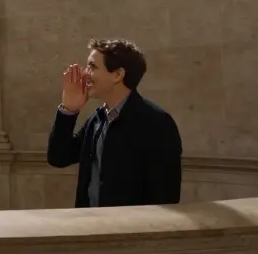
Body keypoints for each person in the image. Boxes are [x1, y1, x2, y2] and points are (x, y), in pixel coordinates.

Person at [46, 38, 182, 208]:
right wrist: (69, 110)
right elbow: (58, 157)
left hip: (128, 232)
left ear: (117, 75)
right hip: (90, 227)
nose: (85, 73)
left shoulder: (157, 123)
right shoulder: (97, 120)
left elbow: (165, 197)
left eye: (92, 67)